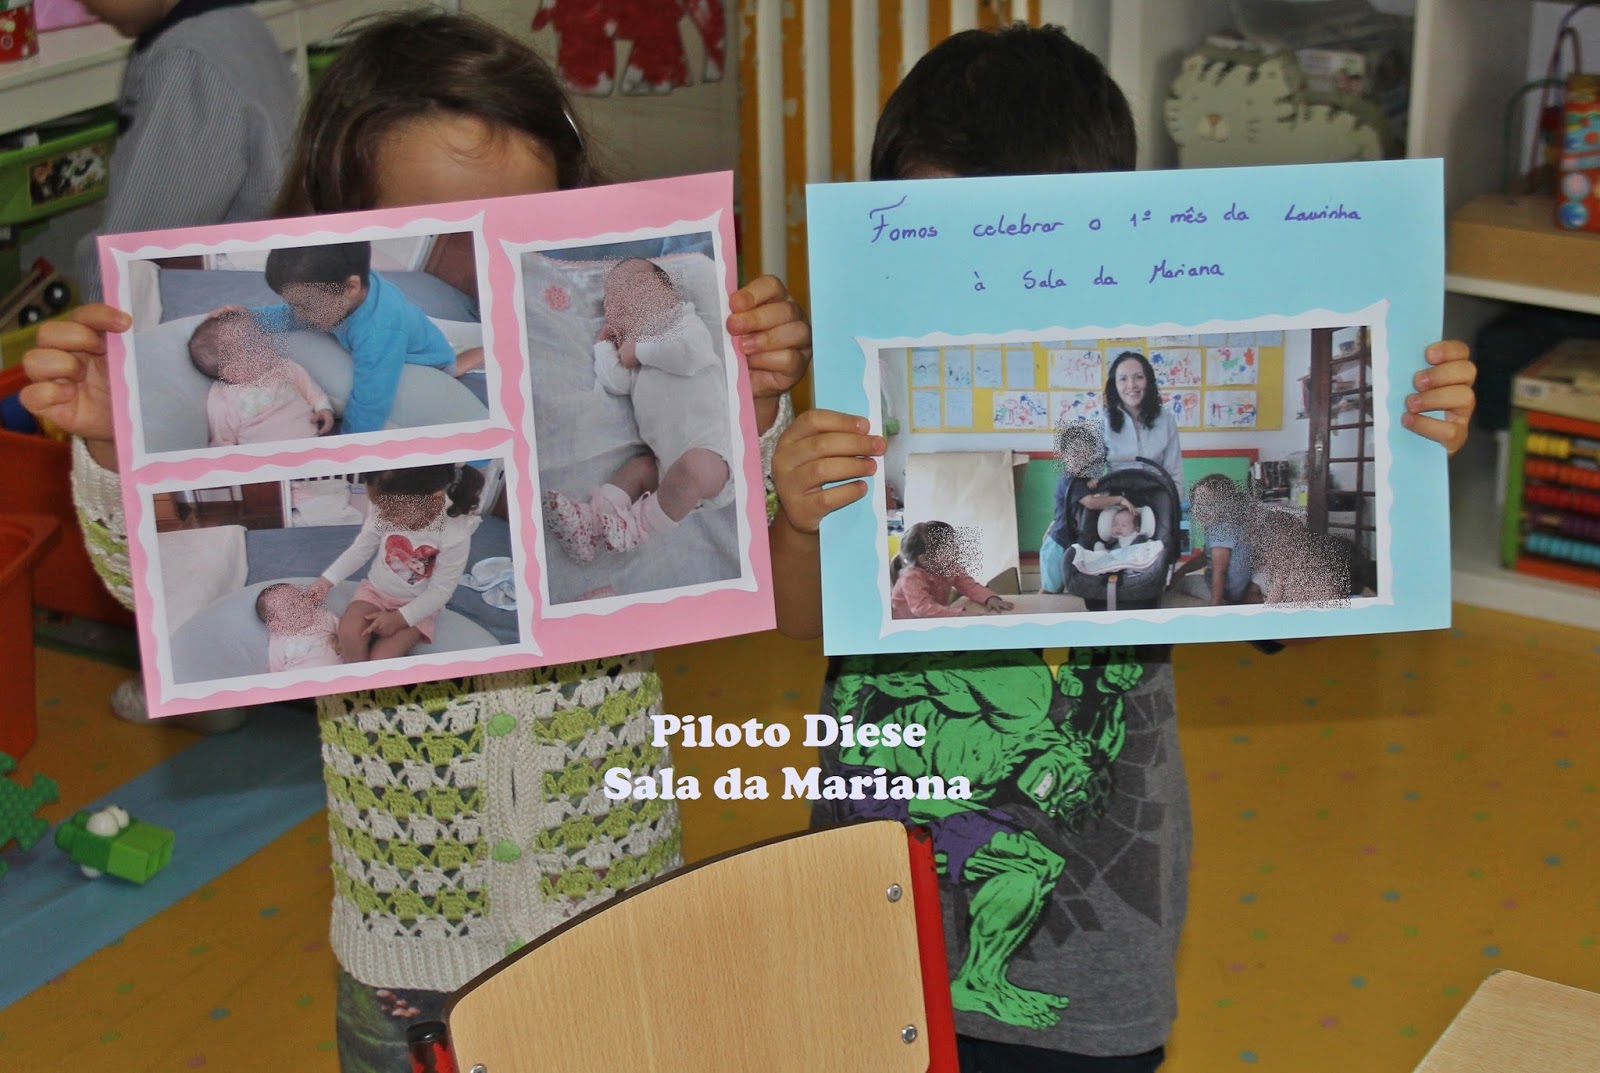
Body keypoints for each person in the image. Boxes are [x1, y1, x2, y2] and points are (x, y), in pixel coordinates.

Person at [20, 12, 811, 1071]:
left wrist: (747, 402)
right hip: (409, 940)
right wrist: (115, 450)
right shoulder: (329, 368)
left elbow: (736, 532)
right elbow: (144, 583)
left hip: (617, 906)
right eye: (439, 225)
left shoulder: (592, 353)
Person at [766, 24, 1478, 1073]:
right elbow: (797, 618)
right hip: (872, 904)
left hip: (1095, 940)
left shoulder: (1155, 449)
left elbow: (1308, 619)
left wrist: (1405, 462)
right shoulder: (859, 400)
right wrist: (796, 519)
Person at [72, 0, 298, 304]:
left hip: (227, 304)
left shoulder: (189, 61)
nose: (83, 6)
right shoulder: (237, 23)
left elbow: (137, 255)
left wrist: (100, 297)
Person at [544, 257, 732, 561]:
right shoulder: (636, 360)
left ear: (670, 296)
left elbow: (689, 356)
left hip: (714, 459)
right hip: (663, 466)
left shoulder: (685, 325)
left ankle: (636, 526)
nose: (623, 300)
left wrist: (640, 350)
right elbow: (615, 382)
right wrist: (604, 346)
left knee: (693, 466)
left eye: (635, 288)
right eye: (612, 301)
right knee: (638, 468)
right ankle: (589, 523)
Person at [246, 241, 485, 435]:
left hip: (428, 359)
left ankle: (474, 356)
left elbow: (371, 400)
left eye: (306, 306)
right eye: (294, 305)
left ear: (351, 287)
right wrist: (250, 318)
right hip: (410, 330)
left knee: (449, 367)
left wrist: (349, 445)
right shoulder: (341, 295)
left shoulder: (378, 332)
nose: (298, 314)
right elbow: (292, 316)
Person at [313, 464, 484, 663]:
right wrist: (326, 581)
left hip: (417, 606)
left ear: (434, 500)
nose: (384, 517)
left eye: (393, 512)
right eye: (380, 508)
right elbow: (360, 550)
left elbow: (441, 591)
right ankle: (356, 678)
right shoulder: (386, 509)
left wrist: (400, 618)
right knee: (349, 633)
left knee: (382, 658)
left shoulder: (454, 532)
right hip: (375, 592)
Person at [189, 310, 335, 447]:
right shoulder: (222, 398)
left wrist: (323, 407)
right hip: (265, 458)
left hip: (312, 443)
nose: (265, 343)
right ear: (233, 371)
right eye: (253, 345)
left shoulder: (282, 366)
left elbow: (309, 388)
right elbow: (222, 440)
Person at [1169, 474, 1263, 606]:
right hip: (1238, 590)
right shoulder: (1231, 524)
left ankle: (1221, 603)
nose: (1197, 510)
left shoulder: (1219, 530)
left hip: (1225, 592)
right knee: (1184, 578)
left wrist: (1215, 606)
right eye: (1196, 504)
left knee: (1182, 584)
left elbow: (1219, 571)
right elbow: (1204, 557)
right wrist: (1181, 571)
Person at [890, 520, 1015, 619]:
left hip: (932, 619)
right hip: (906, 625)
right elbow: (923, 609)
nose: (956, 551)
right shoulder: (911, 577)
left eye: (954, 545)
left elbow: (969, 586)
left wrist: (989, 598)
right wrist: (959, 614)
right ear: (925, 559)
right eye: (948, 549)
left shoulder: (950, 567)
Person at [1103, 351, 1181, 486]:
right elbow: (1087, 476)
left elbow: (1175, 473)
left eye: (1138, 377)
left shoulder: (1166, 420)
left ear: (1148, 381)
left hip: (1157, 492)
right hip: (1116, 492)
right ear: (1114, 385)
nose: (1131, 385)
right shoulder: (1101, 421)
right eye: (1123, 379)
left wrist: (1174, 499)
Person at [257, 582, 341, 672]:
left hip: (340, 673)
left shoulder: (324, 616)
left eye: (302, 597)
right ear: (277, 624)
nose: (303, 604)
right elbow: (276, 669)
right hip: (300, 678)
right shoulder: (278, 640)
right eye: (292, 605)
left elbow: (346, 633)